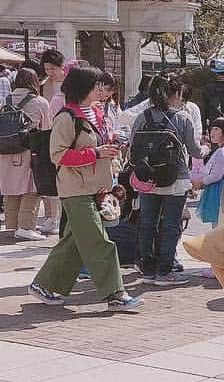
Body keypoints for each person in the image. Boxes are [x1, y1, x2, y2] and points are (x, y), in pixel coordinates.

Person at [27, 66, 141, 309]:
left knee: (76, 241)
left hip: (96, 187)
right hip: (75, 188)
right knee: (99, 241)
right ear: (85, 87)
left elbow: (98, 145)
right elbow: (58, 155)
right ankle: (115, 293)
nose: (101, 89)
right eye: (96, 84)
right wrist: (96, 153)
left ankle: (44, 284)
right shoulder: (67, 117)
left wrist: (111, 146)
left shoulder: (96, 113)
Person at [130, 75, 205, 286]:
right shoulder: (182, 118)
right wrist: (206, 149)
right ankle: (165, 271)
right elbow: (194, 150)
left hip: (147, 177)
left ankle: (147, 269)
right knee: (171, 223)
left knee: (147, 223)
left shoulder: (141, 117)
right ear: (177, 94)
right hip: (175, 177)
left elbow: (132, 148)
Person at [0, 67, 50, 240]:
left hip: (5, 150)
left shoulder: (6, 100)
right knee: (31, 188)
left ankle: (11, 225)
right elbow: (46, 130)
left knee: (11, 189)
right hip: (29, 151)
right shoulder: (40, 102)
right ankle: (26, 227)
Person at [37, 47, 67, 234]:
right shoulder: (47, 84)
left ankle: (57, 218)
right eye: (47, 69)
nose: (50, 73)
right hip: (52, 135)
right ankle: (53, 218)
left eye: (52, 69)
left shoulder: (69, 84)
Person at [194, 117, 224, 227]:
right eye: (212, 128)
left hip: (218, 190)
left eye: (217, 129)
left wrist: (201, 182)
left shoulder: (221, 152)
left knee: (217, 224)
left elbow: (216, 175)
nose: (212, 132)